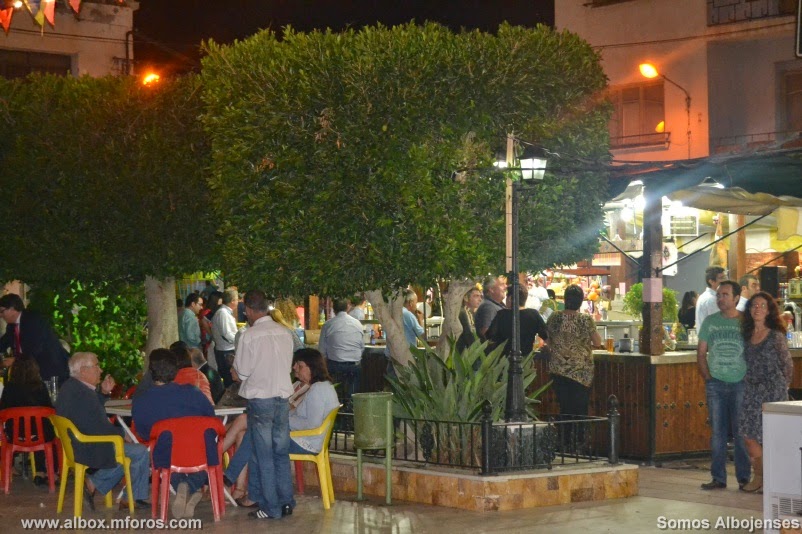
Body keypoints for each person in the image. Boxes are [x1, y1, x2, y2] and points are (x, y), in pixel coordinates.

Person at [55, 352, 150, 510]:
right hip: (87, 446)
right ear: (83, 371)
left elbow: (91, 414)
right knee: (139, 452)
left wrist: (104, 393)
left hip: (75, 444)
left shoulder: (72, 387)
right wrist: (122, 433)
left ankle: (92, 484)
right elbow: (98, 428)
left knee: (127, 452)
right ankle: (130, 498)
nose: (100, 370)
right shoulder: (82, 393)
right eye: (96, 366)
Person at [233, 290, 295, 520]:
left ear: (249, 310)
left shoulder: (249, 336)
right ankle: (286, 502)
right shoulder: (285, 332)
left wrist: (235, 372)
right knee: (281, 453)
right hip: (282, 399)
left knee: (264, 455)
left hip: (261, 400)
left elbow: (242, 372)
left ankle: (271, 508)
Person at [132, 348, 215, 519]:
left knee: (167, 461)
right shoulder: (193, 392)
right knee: (209, 459)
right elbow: (211, 420)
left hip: (166, 455)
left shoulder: (142, 401)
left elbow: (144, 434)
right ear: (176, 370)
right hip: (200, 453)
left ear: (151, 372)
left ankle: (183, 487)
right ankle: (190, 486)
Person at [696, 280, 750, 490]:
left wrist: (748, 377)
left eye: (725, 295)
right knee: (717, 433)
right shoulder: (710, 321)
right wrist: (708, 378)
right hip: (716, 383)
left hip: (740, 383)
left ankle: (744, 478)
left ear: (736, 298)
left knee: (741, 433)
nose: (720, 299)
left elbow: (753, 351)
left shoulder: (746, 322)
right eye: (718, 295)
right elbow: (701, 352)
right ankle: (718, 478)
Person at [737, 291, 793, 493]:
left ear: (769, 311)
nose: (757, 309)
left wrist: (782, 390)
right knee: (748, 434)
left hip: (773, 390)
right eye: (754, 305)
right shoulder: (746, 335)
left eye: (762, 306)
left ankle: (770, 480)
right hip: (751, 389)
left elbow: (787, 365)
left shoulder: (776, 336)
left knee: (772, 436)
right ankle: (761, 475)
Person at [546, 285, 602, 434]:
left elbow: (548, 340)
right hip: (580, 373)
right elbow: (597, 342)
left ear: (565, 300)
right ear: (581, 301)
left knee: (565, 408)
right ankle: (578, 441)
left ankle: (564, 440)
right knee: (580, 411)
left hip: (558, 370)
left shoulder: (554, 317)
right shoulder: (585, 319)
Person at [0, 357, 57, 486]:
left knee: (36, 428)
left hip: (15, 435)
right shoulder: (40, 387)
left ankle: (12, 468)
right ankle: (46, 471)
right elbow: (49, 410)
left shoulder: (9, 388)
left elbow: (3, 411)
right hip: (40, 435)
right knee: (44, 429)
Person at [0, 293, 70, 385]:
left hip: (50, 368)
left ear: (12, 309)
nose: (0, 315)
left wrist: (15, 360)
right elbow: (3, 343)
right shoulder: (12, 326)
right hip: (32, 369)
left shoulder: (33, 320)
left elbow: (35, 348)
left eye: (2, 311)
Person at [289, 348, 340, 454]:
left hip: (308, 442)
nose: (295, 368)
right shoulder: (322, 386)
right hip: (309, 439)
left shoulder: (318, 390)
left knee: (260, 440)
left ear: (312, 367)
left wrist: (283, 420)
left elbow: (312, 424)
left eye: (300, 366)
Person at [318, 298, 364, 400]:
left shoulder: (328, 325)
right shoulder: (357, 324)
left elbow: (322, 351)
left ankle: (337, 405)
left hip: (335, 366)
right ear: (348, 307)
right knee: (352, 396)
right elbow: (362, 347)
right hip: (354, 366)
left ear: (333, 309)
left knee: (335, 396)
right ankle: (350, 406)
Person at [487, 284, 548, 357]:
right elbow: (546, 336)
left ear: (510, 298)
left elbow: (489, 336)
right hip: (525, 360)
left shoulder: (501, 315)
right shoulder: (533, 314)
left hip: (503, 360)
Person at [384, 289, 424, 375]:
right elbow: (422, 336)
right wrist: (420, 320)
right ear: (411, 303)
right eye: (416, 302)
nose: (416, 305)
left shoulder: (389, 312)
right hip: (405, 360)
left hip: (391, 359)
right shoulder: (408, 315)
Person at [211, 288, 238, 387]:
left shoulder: (224, 312)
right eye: (237, 299)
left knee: (230, 379)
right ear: (232, 301)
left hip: (226, 350)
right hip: (226, 352)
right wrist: (239, 340)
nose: (238, 302)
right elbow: (227, 334)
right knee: (229, 380)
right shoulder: (223, 313)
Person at [474, 276, 506, 341]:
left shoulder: (493, 305)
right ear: (491, 289)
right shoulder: (489, 307)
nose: (506, 286)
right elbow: (485, 333)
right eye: (502, 284)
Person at [695, 266, 726, 333]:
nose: (725, 281)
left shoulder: (705, 296)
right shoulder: (711, 300)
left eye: (725, 277)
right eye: (721, 278)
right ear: (711, 281)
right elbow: (717, 324)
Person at [456, 285, 483, 353]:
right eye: (476, 296)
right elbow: (469, 335)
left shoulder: (472, 312)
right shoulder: (463, 312)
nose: (480, 299)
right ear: (466, 298)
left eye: (480, 296)